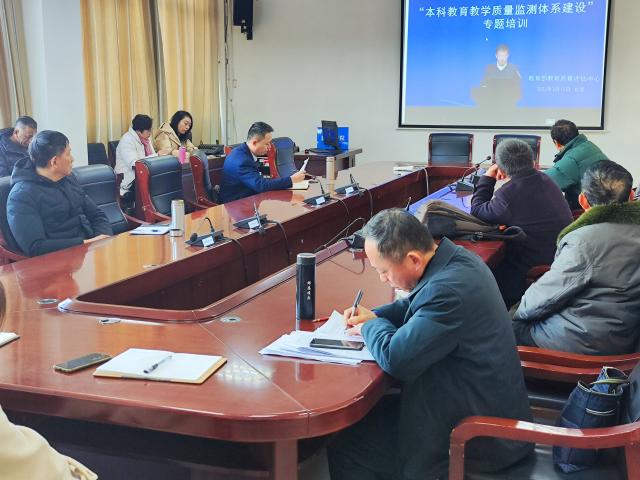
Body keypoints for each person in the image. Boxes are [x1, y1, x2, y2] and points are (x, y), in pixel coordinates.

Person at [327, 209, 532, 480]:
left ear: (413, 259)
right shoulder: (456, 260)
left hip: (475, 437)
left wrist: (369, 327)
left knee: (348, 445)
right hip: (474, 404)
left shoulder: (448, 291)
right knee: (369, 417)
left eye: (384, 271)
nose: (382, 279)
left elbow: (396, 359)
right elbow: (416, 306)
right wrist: (375, 316)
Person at [514, 160, 640, 355]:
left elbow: (546, 297)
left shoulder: (584, 241)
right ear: (631, 196)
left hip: (582, 342)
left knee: (504, 328)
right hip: (627, 338)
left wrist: (516, 312)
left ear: (583, 201)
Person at [471, 139, 573, 308]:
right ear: (532, 161)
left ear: (501, 167)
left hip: (536, 267)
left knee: (482, 273)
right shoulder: (545, 179)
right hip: (560, 257)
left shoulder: (508, 195)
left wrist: (488, 177)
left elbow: (477, 210)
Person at [7, 131, 112, 257]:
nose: (72, 159)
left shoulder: (68, 179)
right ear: (54, 162)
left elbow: (97, 215)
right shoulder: (21, 195)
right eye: (68, 154)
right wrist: (86, 244)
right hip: (56, 261)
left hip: (87, 253)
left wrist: (103, 240)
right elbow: (35, 247)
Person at [219, 122, 305, 203]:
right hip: (237, 205)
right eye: (267, 144)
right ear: (254, 142)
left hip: (249, 199)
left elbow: (261, 181)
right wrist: (291, 180)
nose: (270, 147)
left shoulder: (243, 151)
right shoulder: (242, 161)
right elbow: (260, 185)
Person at [545, 119, 609, 209]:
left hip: (588, 210)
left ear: (556, 142)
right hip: (607, 203)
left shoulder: (572, 159)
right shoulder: (589, 146)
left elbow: (542, 182)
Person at [153, 110, 214, 199]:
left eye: (189, 125)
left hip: (180, 170)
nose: (187, 127)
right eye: (185, 124)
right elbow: (165, 153)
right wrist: (185, 154)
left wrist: (192, 153)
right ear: (177, 120)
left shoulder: (182, 135)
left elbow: (193, 150)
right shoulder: (163, 133)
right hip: (165, 174)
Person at [115, 114, 171, 207]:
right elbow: (135, 164)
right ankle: (154, 210)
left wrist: (160, 156)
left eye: (151, 129)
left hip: (143, 176)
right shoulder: (127, 140)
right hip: (129, 181)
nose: (151, 132)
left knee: (166, 177)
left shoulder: (145, 140)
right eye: (148, 130)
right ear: (138, 131)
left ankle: (163, 207)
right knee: (160, 183)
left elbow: (153, 159)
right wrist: (157, 155)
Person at [472, 44, 522, 108]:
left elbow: (518, 89)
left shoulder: (514, 69)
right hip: (492, 103)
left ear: (508, 56)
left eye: (504, 56)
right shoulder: (489, 68)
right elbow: (484, 84)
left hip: (508, 104)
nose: (502, 58)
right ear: (496, 56)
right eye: (500, 56)